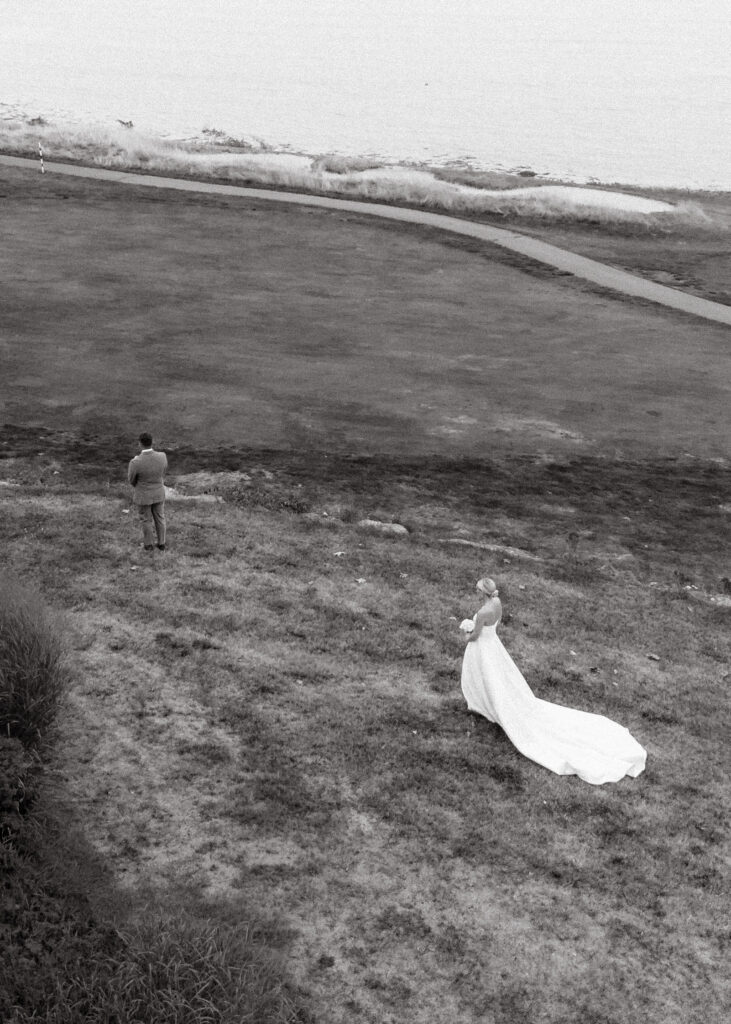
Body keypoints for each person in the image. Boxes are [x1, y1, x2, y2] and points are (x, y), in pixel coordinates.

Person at [460, 578, 646, 785]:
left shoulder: (485, 611)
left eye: (477, 589)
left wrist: (466, 631)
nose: (475, 592)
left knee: (488, 678)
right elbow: (494, 626)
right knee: (499, 678)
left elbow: (476, 635)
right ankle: (487, 705)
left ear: (483, 592)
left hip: (485, 648)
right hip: (494, 644)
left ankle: (488, 705)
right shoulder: (497, 603)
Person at [127, 432, 168, 552]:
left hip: (143, 495)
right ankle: (162, 543)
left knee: (146, 519)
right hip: (159, 492)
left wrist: (139, 486)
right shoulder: (162, 456)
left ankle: (149, 545)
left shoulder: (135, 462)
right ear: (152, 442)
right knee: (160, 517)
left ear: (140, 444)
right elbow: (163, 473)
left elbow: (131, 480)